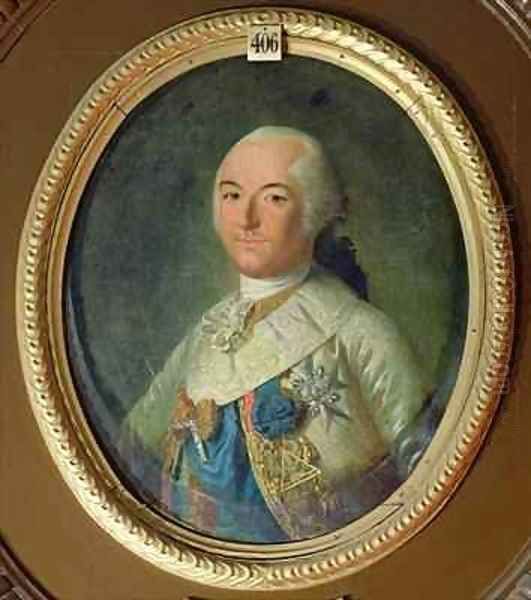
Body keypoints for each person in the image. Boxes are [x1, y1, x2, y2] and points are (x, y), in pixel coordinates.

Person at [120, 126, 430, 543]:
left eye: (274, 198)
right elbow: (132, 449)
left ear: (315, 212)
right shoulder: (206, 333)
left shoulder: (362, 334)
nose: (246, 219)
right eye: (232, 195)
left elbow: (431, 478)